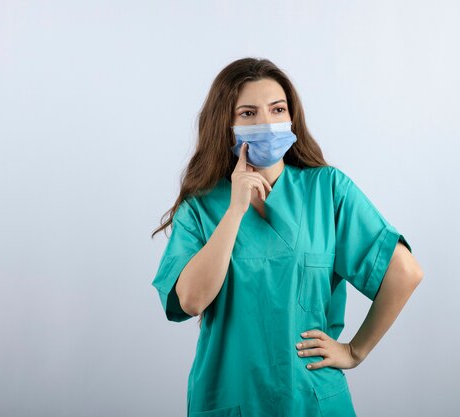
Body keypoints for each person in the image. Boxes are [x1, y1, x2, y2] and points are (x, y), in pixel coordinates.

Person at [150, 57, 424, 417]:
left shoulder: (327, 190)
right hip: (232, 396)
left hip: (310, 396)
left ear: (291, 118)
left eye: (277, 109)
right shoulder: (201, 207)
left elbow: (405, 271)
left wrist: (355, 351)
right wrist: (234, 211)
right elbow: (191, 300)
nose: (267, 123)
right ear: (225, 125)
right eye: (248, 113)